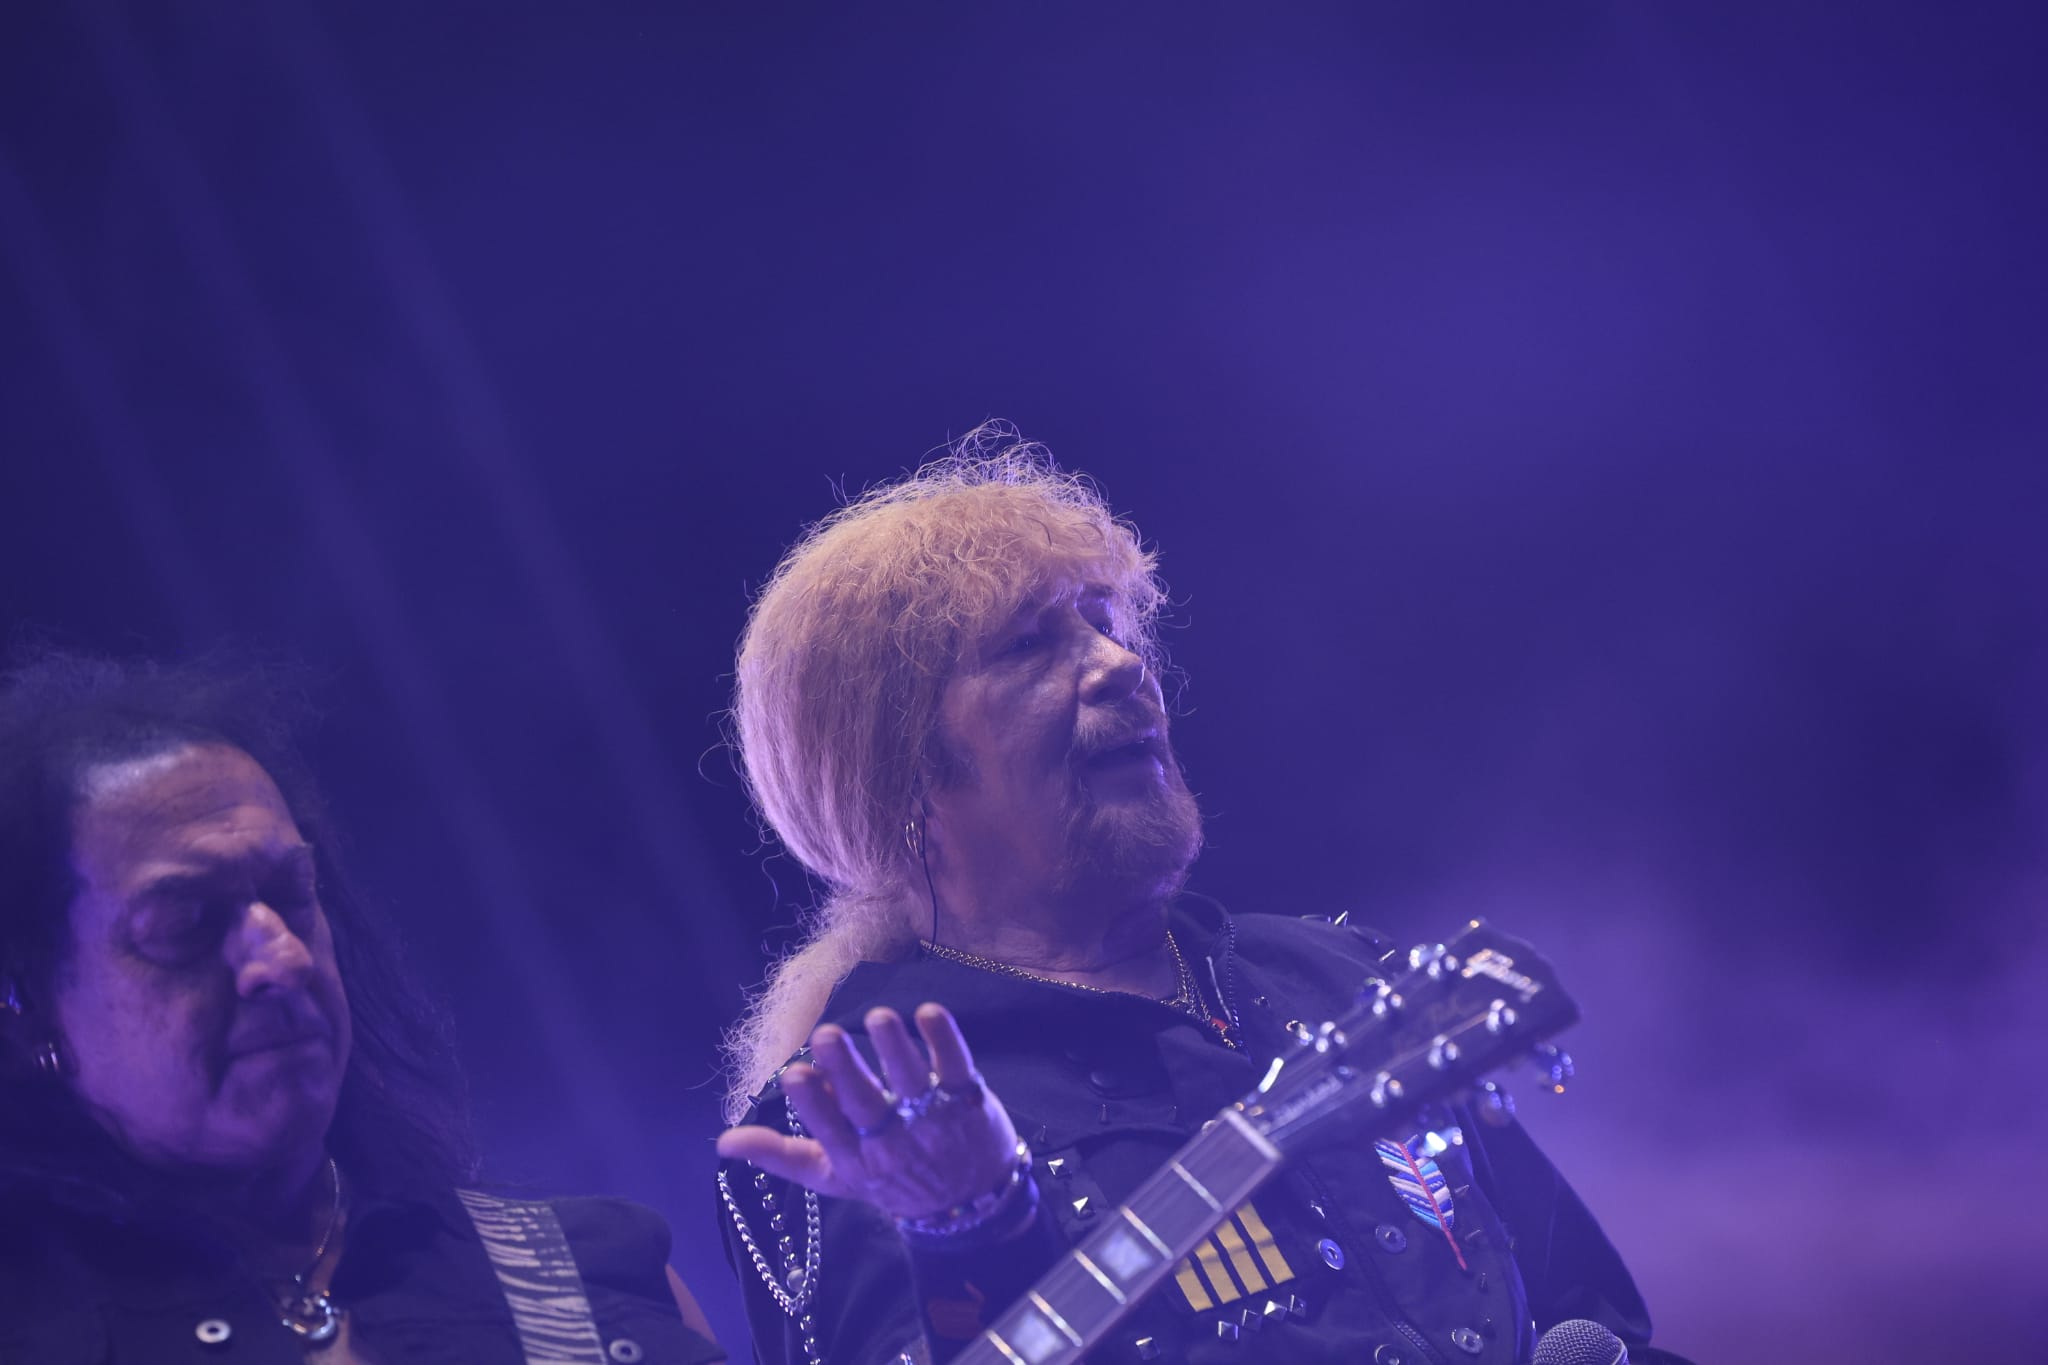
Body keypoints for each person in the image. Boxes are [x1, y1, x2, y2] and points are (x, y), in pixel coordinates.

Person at [715, 421, 1688, 1364]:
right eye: (1027, 646)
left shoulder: (1339, 974)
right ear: (900, 779)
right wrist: (975, 1232)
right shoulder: (854, 1113)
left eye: (1104, 622)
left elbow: (1588, 1321)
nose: (1120, 665)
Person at [0, 649, 725, 1364]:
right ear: (29, 1006)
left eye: (291, 894)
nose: (282, 958)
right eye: (186, 922)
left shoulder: (596, 1275)